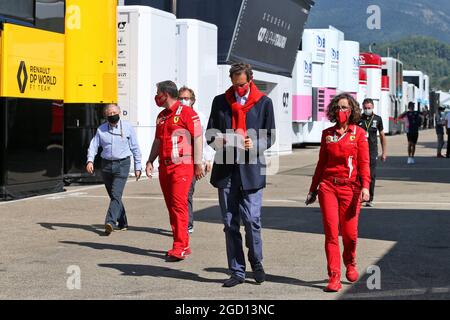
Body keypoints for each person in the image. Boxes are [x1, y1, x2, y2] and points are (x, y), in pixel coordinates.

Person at [207, 63, 276, 287]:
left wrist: (252, 144)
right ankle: (237, 271)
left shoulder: (264, 103)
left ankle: (256, 262)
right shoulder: (220, 101)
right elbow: (210, 133)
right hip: (226, 171)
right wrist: (222, 140)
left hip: (251, 170)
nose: (239, 89)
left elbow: (270, 136)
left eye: (243, 84)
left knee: (252, 220)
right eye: (235, 85)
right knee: (230, 223)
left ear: (250, 80)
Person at [305, 93, 370, 292]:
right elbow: (321, 163)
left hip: (351, 188)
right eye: (339, 107)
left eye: (345, 108)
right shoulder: (327, 134)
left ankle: (350, 262)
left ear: (352, 111)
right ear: (334, 110)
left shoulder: (358, 134)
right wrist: (313, 188)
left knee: (350, 234)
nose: (342, 111)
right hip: (328, 187)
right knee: (332, 234)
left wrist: (365, 186)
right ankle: (334, 277)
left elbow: (364, 163)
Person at [145, 81, 204, 261]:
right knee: (172, 207)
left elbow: (198, 137)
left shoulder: (187, 112)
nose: (156, 96)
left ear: (166, 94)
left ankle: (180, 246)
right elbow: (157, 141)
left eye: (158, 93)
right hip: (165, 166)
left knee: (179, 206)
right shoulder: (161, 116)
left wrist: (198, 163)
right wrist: (150, 160)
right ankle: (183, 244)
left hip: (182, 166)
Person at [86, 103, 142, 235]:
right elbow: (93, 146)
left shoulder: (128, 128)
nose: (112, 115)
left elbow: (135, 147)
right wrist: (90, 160)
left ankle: (110, 222)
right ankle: (123, 222)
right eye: (109, 114)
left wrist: (138, 166)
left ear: (119, 112)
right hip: (106, 165)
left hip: (123, 164)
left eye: (114, 112)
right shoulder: (101, 130)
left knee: (116, 194)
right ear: (105, 115)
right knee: (113, 195)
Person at [178, 86, 215, 234]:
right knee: (178, 194)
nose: (183, 101)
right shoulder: (173, 115)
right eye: (180, 98)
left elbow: (206, 139)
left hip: (193, 160)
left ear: (192, 100)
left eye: (186, 98)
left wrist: (207, 159)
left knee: (187, 192)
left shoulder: (199, 116)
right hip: (176, 160)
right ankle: (181, 222)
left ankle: (187, 223)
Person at [357, 98, 387, 207]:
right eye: (365, 108)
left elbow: (382, 136)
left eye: (369, 108)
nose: (367, 110)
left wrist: (384, 153)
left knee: (371, 175)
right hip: (359, 151)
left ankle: (370, 198)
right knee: (359, 175)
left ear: (373, 107)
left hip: (372, 151)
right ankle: (360, 197)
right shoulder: (358, 119)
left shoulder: (378, 119)